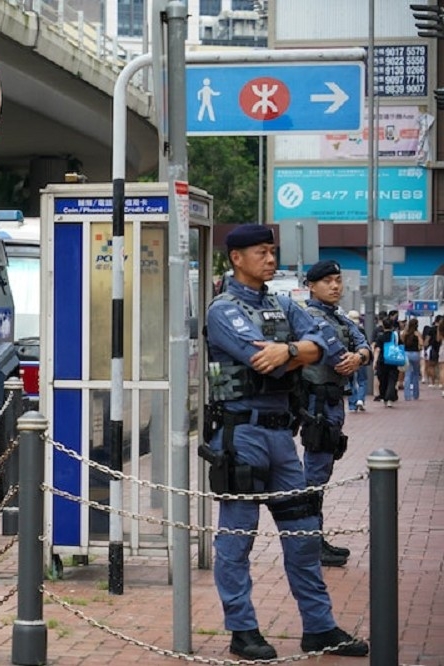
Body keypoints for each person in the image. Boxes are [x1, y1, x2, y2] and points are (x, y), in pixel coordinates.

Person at [203, 226, 368, 660]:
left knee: (304, 536)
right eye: (262, 252)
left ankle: (320, 628)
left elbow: (327, 344)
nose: (271, 259)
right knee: (238, 539)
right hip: (243, 437)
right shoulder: (223, 309)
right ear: (237, 258)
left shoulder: (282, 303)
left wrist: (289, 352)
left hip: (282, 437)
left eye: (272, 252)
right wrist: (296, 353)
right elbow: (262, 360)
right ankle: (243, 630)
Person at [297, 261, 370, 567]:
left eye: (338, 280)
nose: (335, 286)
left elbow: (365, 346)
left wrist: (360, 356)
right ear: (311, 286)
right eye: (328, 281)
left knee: (322, 472)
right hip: (317, 405)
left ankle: (313, 539)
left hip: (331, 404)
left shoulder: (336, 315)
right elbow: (336, 353)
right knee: (314, 475)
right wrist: (353, 357)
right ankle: (308, 543)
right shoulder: (309, 316)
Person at [374, 317, 401, 407]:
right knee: (392, 379)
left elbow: (377, 349)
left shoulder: (380, 336)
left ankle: (384, 397)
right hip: (393, 360)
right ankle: (390, 398)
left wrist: (375, 361)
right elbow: (400, 346)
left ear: (383, 325)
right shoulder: (396, 336)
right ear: (392, 325)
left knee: (383, 380)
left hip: (382, 361)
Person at [346, 311, 369, 412]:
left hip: (349, 357)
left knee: (351, 382)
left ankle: (352, 405)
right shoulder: (361, 330)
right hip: (360, 356)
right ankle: (360, 399)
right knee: (362, 380)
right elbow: (365, 344)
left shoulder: (345, 329)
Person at [401, 318, 423, 400]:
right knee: (415, 375)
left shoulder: (405, 333)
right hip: (415, 354)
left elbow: (402, 341)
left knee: (407, 375)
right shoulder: (417, 333)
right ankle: (415, 395)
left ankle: (407, 396)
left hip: (406, 354)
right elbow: (421, 344)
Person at [422, 315, 442, 389]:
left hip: (432, 348)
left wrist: (425, 348)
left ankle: (432, 382)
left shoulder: (431, 329)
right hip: (441, 348)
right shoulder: (442, 329)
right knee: (441, 367)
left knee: (431, 366)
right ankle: (440, 382)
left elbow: (427, 339)